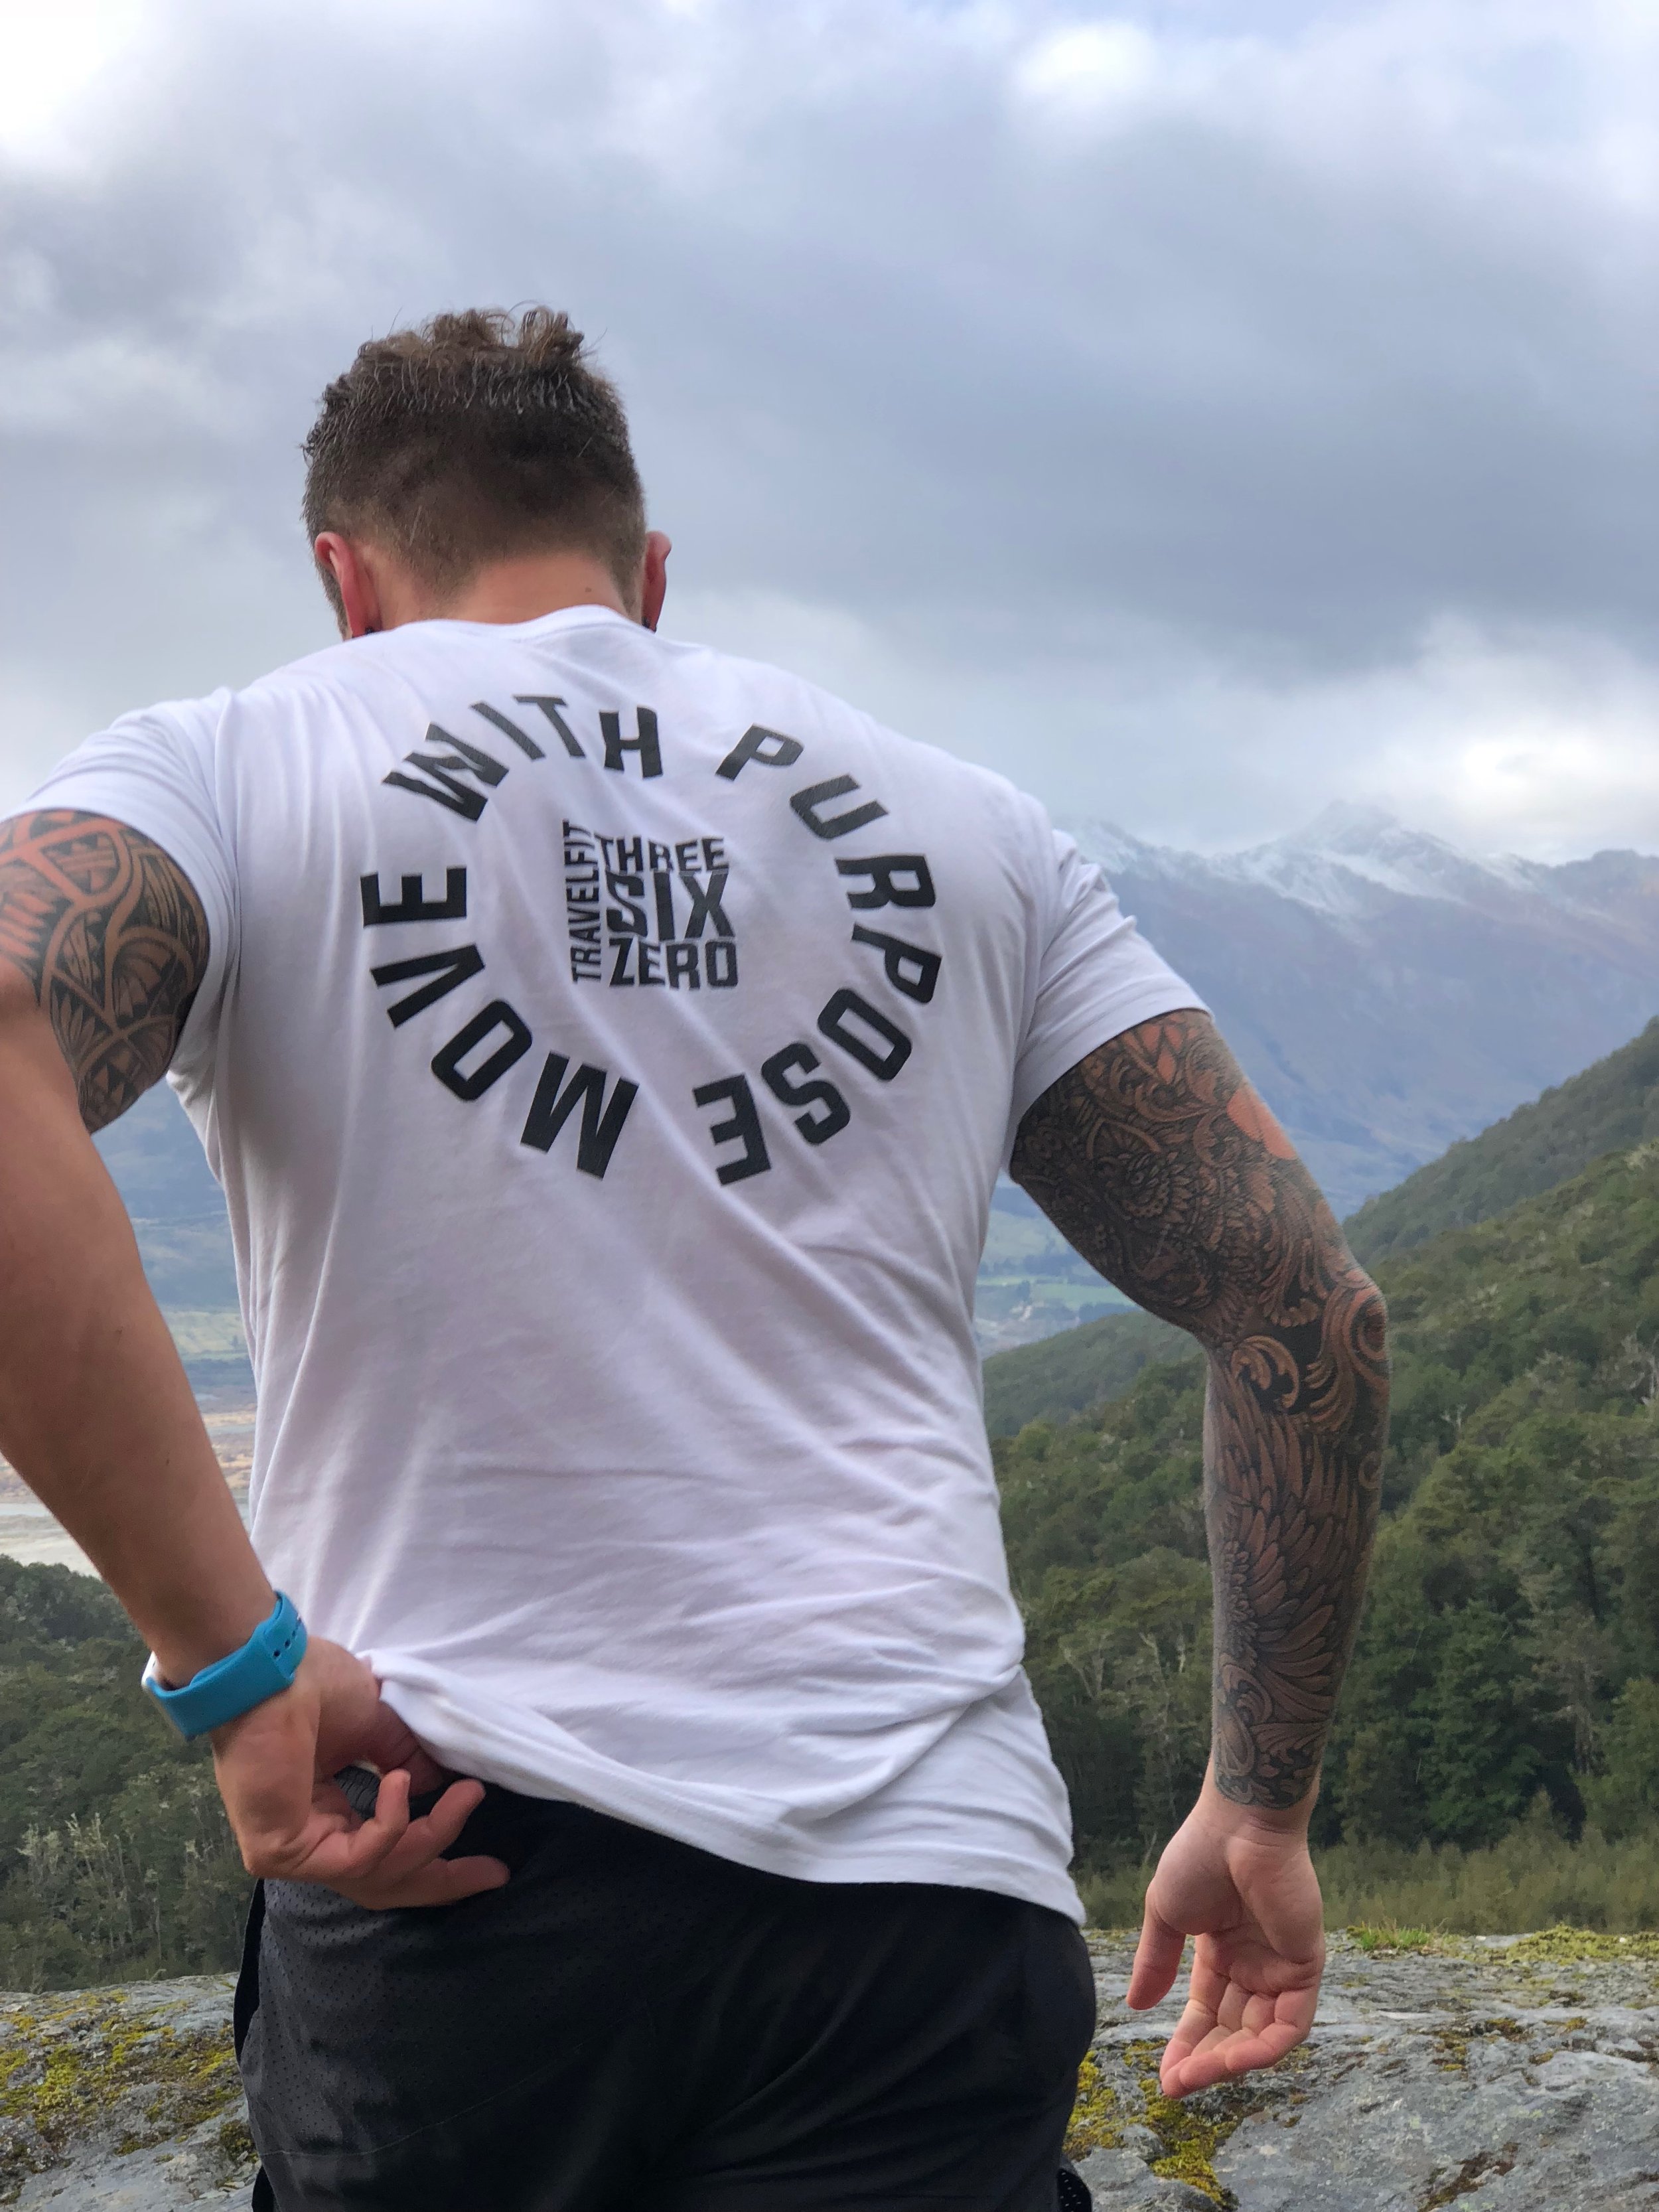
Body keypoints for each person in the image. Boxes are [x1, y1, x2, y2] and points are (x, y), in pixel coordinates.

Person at [0, 308, 1388, 2212]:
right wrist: (1258, 1797)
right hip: (929, 1894)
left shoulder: (234, 764)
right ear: (649, 578)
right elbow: (1303, 1304)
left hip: (455, 1858)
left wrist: (234, 1669)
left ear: (345, 583)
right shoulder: (976, 829)